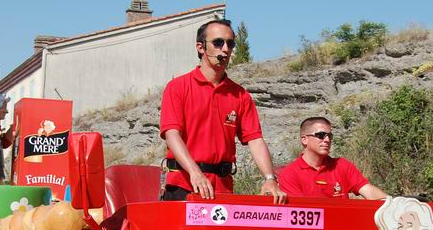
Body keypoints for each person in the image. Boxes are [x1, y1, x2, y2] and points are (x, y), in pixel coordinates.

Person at [159, 19, 286, 203]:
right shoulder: (178, 87)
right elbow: (172, 135)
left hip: (223, 189)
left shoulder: (240, 95)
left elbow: (256, 140)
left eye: (230, 43)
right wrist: (195, 172)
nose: (225, 49)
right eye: (218, 42)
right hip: (184, 184)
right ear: (200, 47)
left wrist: (270, 179)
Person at [279, 117, 386, 200]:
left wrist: (393, 206)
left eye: (329, 136)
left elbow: (369, 191)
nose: (327, 140)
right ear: (304, 139)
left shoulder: (342, 165)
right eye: (320, 135)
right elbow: (300, 213)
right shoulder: (289, 174)